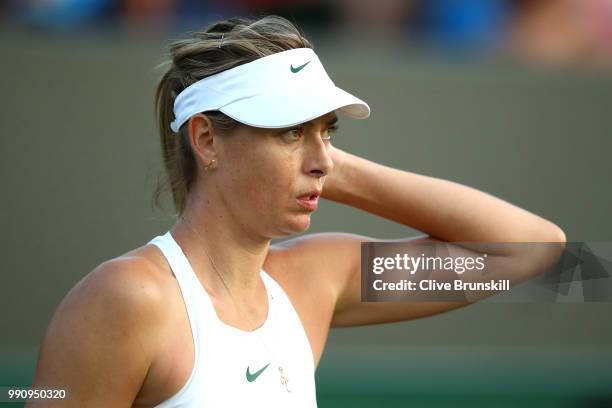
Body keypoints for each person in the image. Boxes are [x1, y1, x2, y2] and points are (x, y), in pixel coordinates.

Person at [29, 15, 566, 407]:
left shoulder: (314, 281)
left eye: (327, 131)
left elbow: (536, 253)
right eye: (289, 131)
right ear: (207, 140)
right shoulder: (128, 297)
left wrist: (329, 165)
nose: (320, 157)